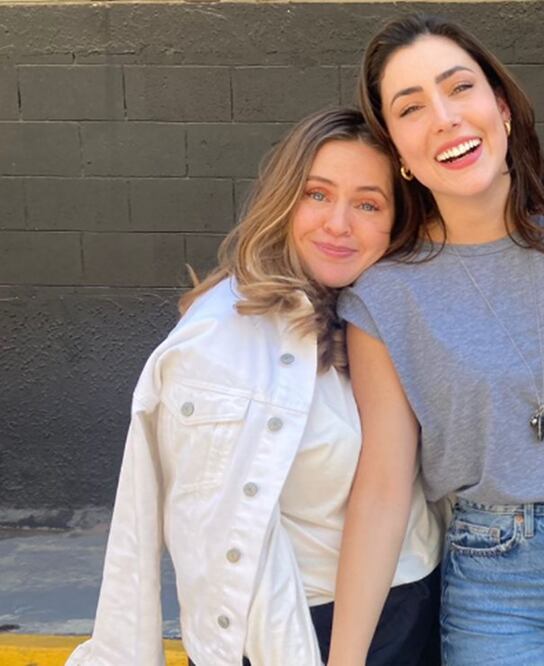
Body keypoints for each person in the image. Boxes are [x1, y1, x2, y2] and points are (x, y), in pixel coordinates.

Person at [328, 14, 544, 666]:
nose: (443, 117)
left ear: (502, 107)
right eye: (410, 108)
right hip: (498, 582)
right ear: (397, 153)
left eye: (459, 88)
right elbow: (380, 487)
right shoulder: (383, 297)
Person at [67, 108, 443, 666]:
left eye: (368, 204)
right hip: (287, 626)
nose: (339, 224)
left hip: (409, 607)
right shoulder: (217, 339)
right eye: (317, 195)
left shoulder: (389, 312)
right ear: (284, 201)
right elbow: (168, 526)